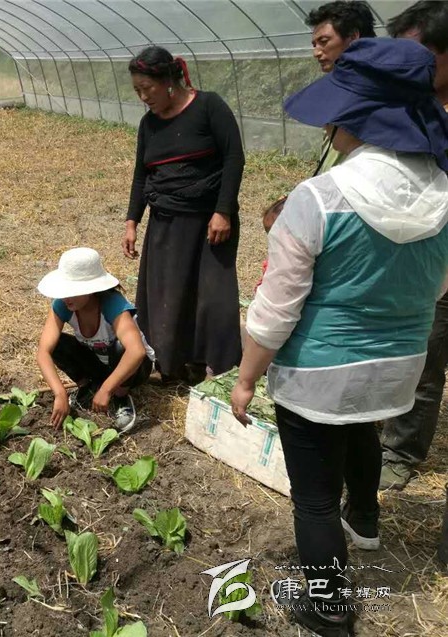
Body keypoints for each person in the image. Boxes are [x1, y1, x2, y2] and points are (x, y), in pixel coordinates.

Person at [231, 38, 448, 637]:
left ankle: (328, 609)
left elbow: (275, 312)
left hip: (318, 376)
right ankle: (366, 522)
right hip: (398, 368)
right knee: (361, 432)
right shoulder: (444, 194)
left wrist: (246, 379)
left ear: (352, 119)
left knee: (314, 499)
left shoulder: (318, 200)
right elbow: (435, 288)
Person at [122, 46, 244, 383]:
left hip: (210, 222)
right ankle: (170, 364)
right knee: (168, 295)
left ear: (168, 82)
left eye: (147, 88)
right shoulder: (149, 124)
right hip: (167, 221)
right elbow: (141, 175)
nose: (143, 96)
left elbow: (234, 158)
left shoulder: (208, 107)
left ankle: (217, 366)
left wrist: (222, 211)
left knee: (213, 296)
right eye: (137, 90)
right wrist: (132, 221)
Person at [379, 0, 448, 491]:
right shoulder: (410, 109)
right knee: (412, 352)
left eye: (418, 56)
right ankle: (391, 440)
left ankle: (401, 451)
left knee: (426, 356)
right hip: (415, 254)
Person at [36, 248, 154, 432]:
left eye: (72, 291)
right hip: (99, 363)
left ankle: (121, 396)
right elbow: (43, 351)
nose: (66, 297)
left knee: (121, 347)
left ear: (91, 289)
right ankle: (87, 386)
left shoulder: (112, 304)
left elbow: (136, 351)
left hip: (134, 369)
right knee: (58, 344)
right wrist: (59, 393)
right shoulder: (63, 305)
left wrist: (107, 390)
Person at [306, 1, 376, 173]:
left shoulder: (377, 89)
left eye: (323, 41)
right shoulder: (340, 86)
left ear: (353, 37)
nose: (316, 52)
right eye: (314, 45)